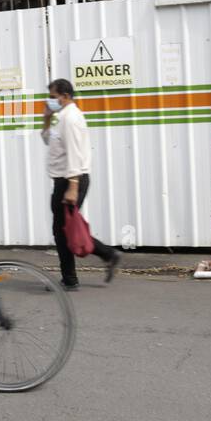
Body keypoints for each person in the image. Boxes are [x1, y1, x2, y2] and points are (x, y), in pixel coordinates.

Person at [41, 78, 121, 290]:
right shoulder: (61, 117)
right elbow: (47, 140)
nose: (49, 101)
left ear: (65, 96)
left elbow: (76, 154)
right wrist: (46, 119)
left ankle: (71, 278)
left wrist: (73, 186)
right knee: (64, 230)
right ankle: (106, 256)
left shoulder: (72, 118)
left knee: (62, 230)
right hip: (64, 180)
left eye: (52, 97)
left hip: (71, 180)